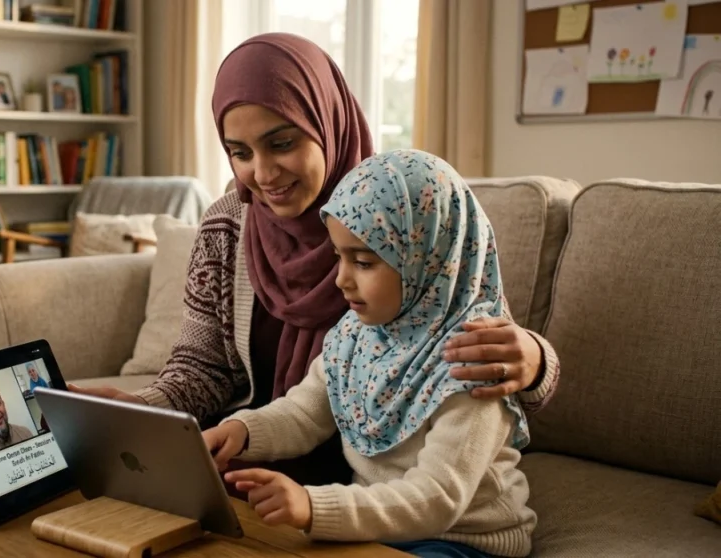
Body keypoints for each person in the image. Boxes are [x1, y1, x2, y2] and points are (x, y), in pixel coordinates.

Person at [69, 33, 560, 486]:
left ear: (328, 121)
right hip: (254, 450)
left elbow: (471, 341)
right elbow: (204, 368)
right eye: (239, 152)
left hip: (374, 477)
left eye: (282, 143)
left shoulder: (394, 210)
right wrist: (143, 407)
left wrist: (535, 361)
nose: (262, 173)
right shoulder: (226, 224)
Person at [203, 149, 536, 558]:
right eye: (338, 257)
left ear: (425, 259)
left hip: (462, 542)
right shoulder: (357, 335)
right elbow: (305, 413)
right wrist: (242, 431)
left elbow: (437, 497)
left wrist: (313, 506)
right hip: (374, 528)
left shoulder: (475, 360)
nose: (341, 279)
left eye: (362, 262)